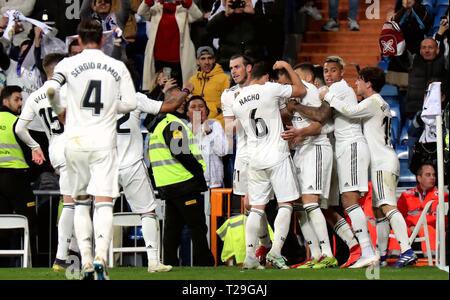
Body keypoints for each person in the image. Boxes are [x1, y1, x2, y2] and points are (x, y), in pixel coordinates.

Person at [44, 19, 137, 280]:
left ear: (79, 40)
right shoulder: (116, 66)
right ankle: (101, 258)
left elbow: (52, 88)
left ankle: (84, 259)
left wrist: (58, 108)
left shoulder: (67, 64)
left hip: (75, 142)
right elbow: (129, 103)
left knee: (81, 202)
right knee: (105, 202)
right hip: (104, 141)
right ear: (103, 38)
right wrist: (110, 107)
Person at [287, 56, 377, 268]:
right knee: (325, 206)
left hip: (351, 147)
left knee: (348, 201)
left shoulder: (338, 89)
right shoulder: (328, 91)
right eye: (326, 71)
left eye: (333, 70)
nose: (328, 75)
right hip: (339, 150)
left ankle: (367, 251)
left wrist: (296, 107)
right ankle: (354, 248)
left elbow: (320, 116)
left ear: (341, 73)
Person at [327, 66, 417, 268]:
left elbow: (350, 112)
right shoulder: (380, 103)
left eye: (359, 80)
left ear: (368, 83)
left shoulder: (373, 101)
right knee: (378, 211)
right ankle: (382, 254)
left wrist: (329, 97)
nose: (356, 84)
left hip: (381, 161)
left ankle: (406, 250)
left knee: (387, 206)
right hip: (385, 158)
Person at [233, 61, 306, 270]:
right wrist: (287, 66)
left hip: (254, 158)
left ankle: (250, 256)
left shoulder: (238, 101)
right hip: (277, 155)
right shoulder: (270, 89)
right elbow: (299, 90)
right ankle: (275, 252)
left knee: (256, 208)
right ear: (265, 77)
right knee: (286, 204)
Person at [116, 77, 190, 272]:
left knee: (98, 209)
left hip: (106, 166)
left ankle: (93, 257)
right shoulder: (135, 98)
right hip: (132, 164)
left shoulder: (98, 102)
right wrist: (186, 90)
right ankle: (153, 261)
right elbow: (172, 105)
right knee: (148, 211)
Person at [14, 53, 78, 272]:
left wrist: (34, 146)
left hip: (55, 149)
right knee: (75, 203)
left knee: (75, 202)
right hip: (74, 146)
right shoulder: (69, 89)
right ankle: (64, 257)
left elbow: (19, 129)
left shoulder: (34, 96)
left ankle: (75, 251)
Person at [148, 90, 215, 267]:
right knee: (197, 227)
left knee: (172, 230)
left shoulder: (161, 124)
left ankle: (169, 263)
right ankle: (205, 264)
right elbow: (181, 153)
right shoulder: (172, 124)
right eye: (178, 100)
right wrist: (199, 174)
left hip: (169, 184)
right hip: (183, 182)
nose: (182, 102)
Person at [0, 85, 38, 266]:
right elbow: (30, 153)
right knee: (30, 222)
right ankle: (34, 264)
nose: (20, 103)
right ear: (5, 101)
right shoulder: (17, 123)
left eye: (21, 99)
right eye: (17, 99)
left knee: (2, 225)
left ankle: (4, 266)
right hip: (15, 178)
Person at [138, 0, 202, 91]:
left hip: (179, 59)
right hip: (158, 58)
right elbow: (141, 12)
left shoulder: (183, 9)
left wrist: (186, 2)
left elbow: (198, 16)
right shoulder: (156, 8)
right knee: (158, 90)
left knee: (180, 90)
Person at [397, 163, 448, 256]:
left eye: (434, 175)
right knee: (396, 231)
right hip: (409, 229)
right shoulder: (406, 196)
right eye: (428, 175)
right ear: (419, 178)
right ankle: (393, 258)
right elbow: (398, 216)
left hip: (433, 231)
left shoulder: (443, 196)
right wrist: (410, 225)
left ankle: (432, 258)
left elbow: (444, 220)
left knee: (427, 229)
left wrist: (418, 225)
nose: (432, 177)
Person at [186, 95, 227, 188]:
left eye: (201, 106)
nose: (197, 109)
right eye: (193, 107)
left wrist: (209, 133)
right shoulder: (184, 129)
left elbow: (222, 151)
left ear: (207, 111)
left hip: (214, 183)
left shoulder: (215, 125)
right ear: (188, 113)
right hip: (193, 183)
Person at [188, 46, 230, 128]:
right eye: (203, 59)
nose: (207, 62)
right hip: (196, 124)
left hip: (217, 124)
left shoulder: (225, 78)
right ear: (197, 61)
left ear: (214, 60)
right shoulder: (192, 80)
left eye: (210, 58)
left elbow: (228, 105)